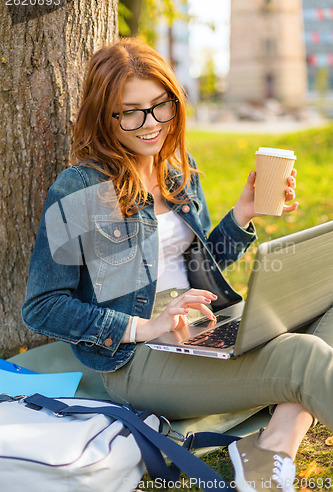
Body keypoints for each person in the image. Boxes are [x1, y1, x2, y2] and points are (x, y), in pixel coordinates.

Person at [22, 37, 333, 492]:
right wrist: (145, 326)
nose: (150, 124)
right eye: (130, 111)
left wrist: (243, 214)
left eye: (160, 106)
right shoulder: (80, 188)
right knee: (302, 356)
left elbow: (194, 264)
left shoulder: (177, 168)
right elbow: (43, 306)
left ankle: (275, 441)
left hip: (205, 329)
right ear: (102, 115)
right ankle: (278, 433)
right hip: (137, 360)